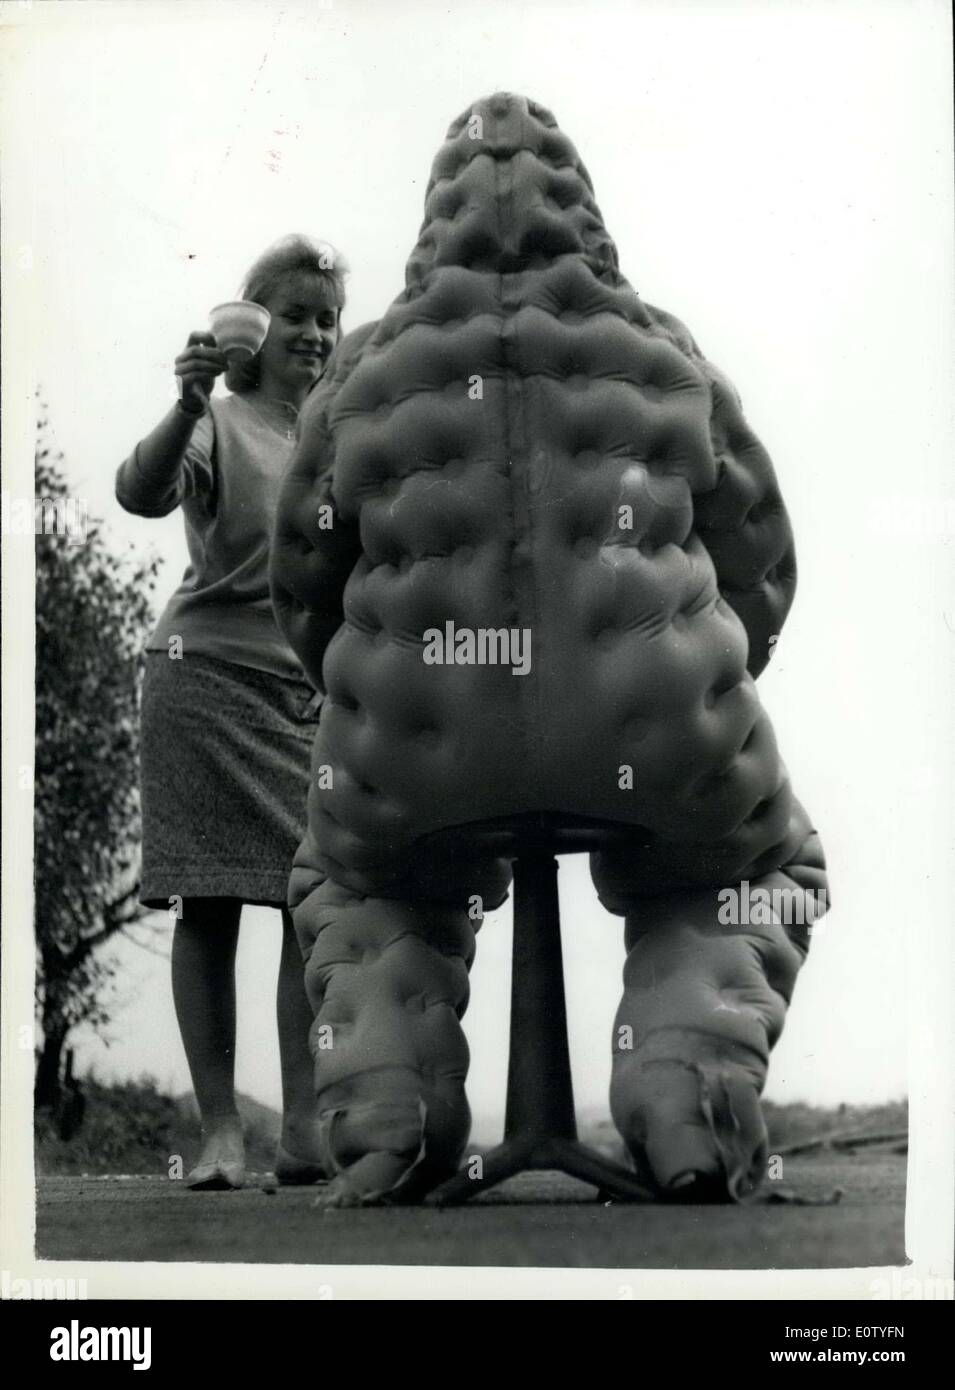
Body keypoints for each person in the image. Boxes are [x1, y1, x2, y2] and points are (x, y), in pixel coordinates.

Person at [116, 235, 346, 1189]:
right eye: (295, 314)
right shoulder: (217, 419)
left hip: (304, 698)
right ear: (252, 326)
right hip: (202, 679)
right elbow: (139, 491)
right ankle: (219, 1136)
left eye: (328, 318)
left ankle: (302, 1131)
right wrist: (183, 404)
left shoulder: (343, 439)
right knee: (209, 904)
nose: (316, 333)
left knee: (305, 905)